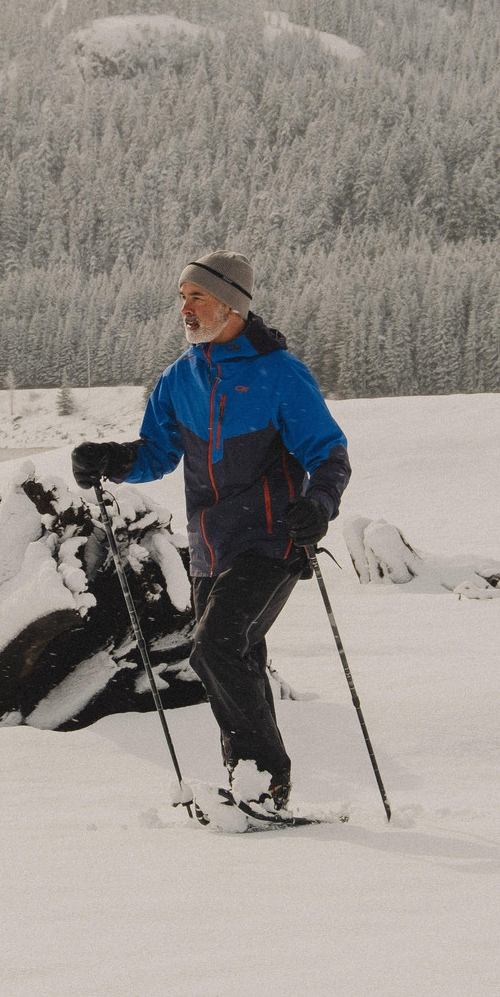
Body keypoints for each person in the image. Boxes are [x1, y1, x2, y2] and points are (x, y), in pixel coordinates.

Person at [71, 250, 350, 812]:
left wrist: (319, 505)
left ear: (231, 303)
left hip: (274, 540)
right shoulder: (181, 378)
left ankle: (264, 782)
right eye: (182, 296)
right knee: (236, 655)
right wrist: (112, 458)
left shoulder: (281, 374)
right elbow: (157, 453)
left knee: (216, 647)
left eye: (196, 296)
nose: (185, 308)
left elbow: (330, 455)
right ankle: (251, 786)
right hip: (210, 549)